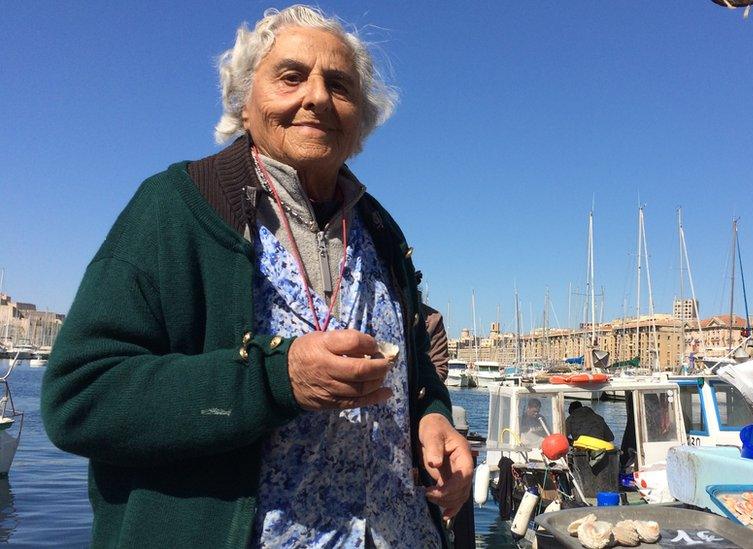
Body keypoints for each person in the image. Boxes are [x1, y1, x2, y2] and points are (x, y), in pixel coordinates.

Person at [40, 6, 471, 548]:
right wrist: (275, 380)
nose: (316, 96)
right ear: (245, 104)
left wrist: (431, 419)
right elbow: (79, 397)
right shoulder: (176, 209)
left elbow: (415, 375)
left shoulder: (382, 231)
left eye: (338, 85)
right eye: (291, 77)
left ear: (360, 117)